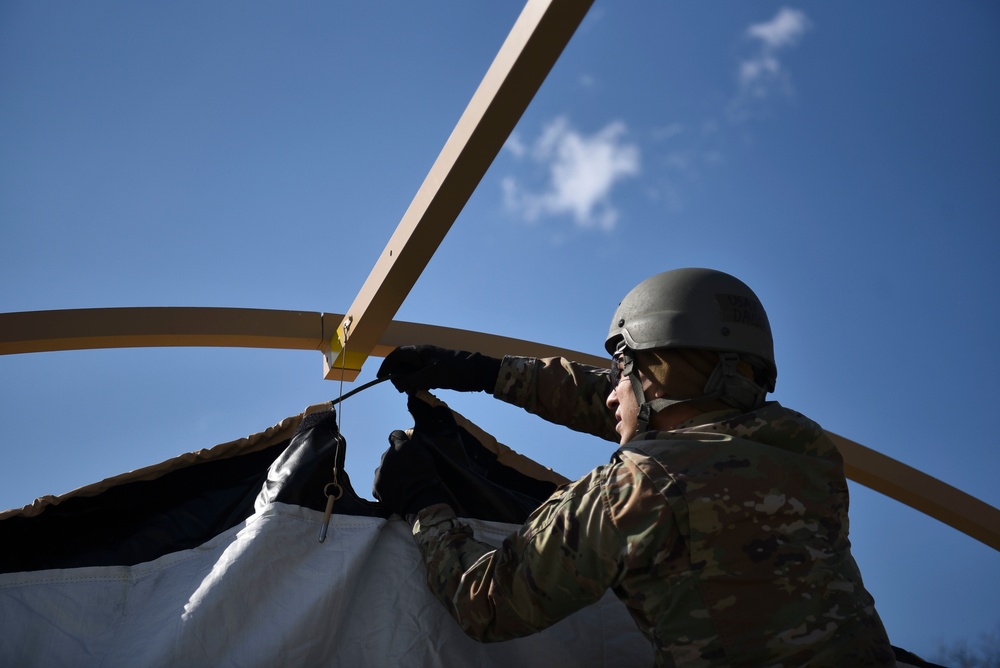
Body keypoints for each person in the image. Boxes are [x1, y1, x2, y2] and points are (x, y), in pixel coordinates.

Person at [373, 267, 896, 667]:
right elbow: (655, 410)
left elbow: (485, 604)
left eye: (623, 367)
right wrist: (484, 372)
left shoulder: (635, 489)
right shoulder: (804, 449)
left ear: (657, 376)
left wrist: (423, 502)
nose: (611, 393)